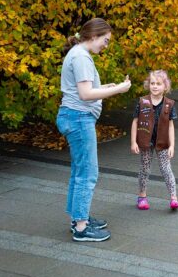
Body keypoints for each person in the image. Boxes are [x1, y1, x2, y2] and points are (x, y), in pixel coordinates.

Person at [56, 18, 131, 242]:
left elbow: (86, 89)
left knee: (80, 171)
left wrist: (105, 88)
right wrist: (118, 89)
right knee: (87, 173)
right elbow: (86, 95)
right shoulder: (81, 57)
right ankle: (81, 228)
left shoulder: (78, 54)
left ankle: (80, 218)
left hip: (75, 116)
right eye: (105, 41)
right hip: (79, 119)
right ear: (93, 35)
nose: (106, 46)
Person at [130, 70, 178, 210]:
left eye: (158, 83)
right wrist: (133, 142)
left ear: (165, 86)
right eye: (152, 83)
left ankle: (173, 198)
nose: (155, 86)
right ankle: (142, 196)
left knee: (166, 169)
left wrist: (172, 145)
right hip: (145, 141)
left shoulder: (169, 104)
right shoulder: (142, 102)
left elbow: (171, 126)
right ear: (148, 85)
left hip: (163, 141)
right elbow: (135, 122)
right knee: (145, 168)